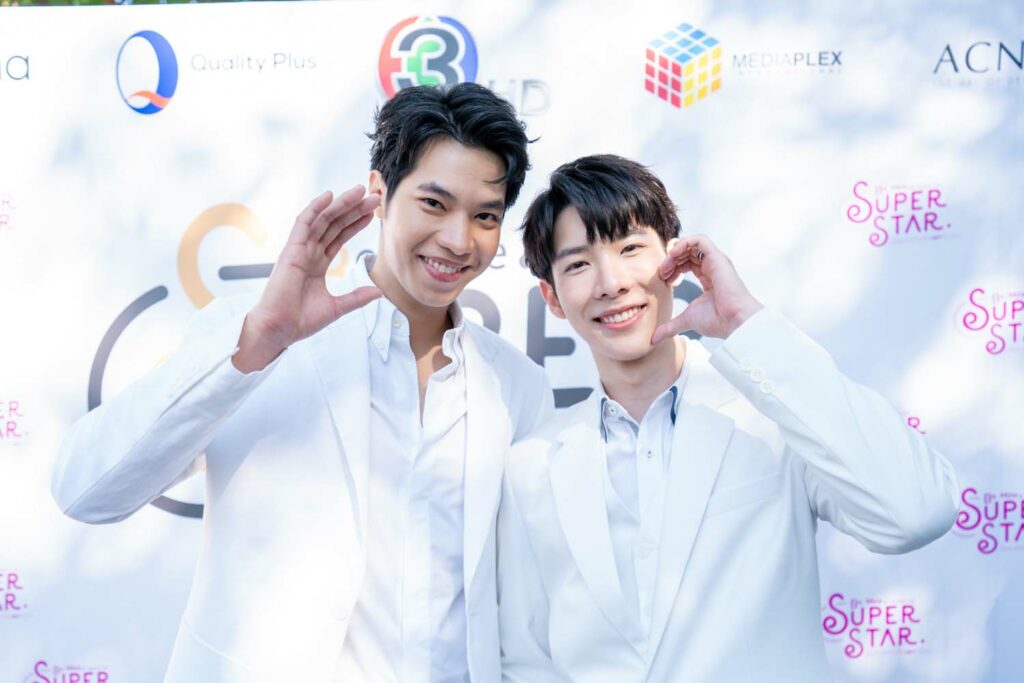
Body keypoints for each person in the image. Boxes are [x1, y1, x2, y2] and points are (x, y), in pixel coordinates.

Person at [52, 83, 552, 682]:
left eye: (485, 216)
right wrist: (255, 345)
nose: (458, 238)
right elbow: (85, 492)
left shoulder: (518, 387)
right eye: (434, 203)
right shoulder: (259, 340)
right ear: (379, 194)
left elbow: (524, 604)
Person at [497, 155, 959, 682]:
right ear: (552, 297)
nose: (611, 282)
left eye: (630, 249)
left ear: (675, 259)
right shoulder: (530, 467)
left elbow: (917, 512)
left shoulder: (776, 414)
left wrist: (746, 323)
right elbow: (526, 661)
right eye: (579, 264)